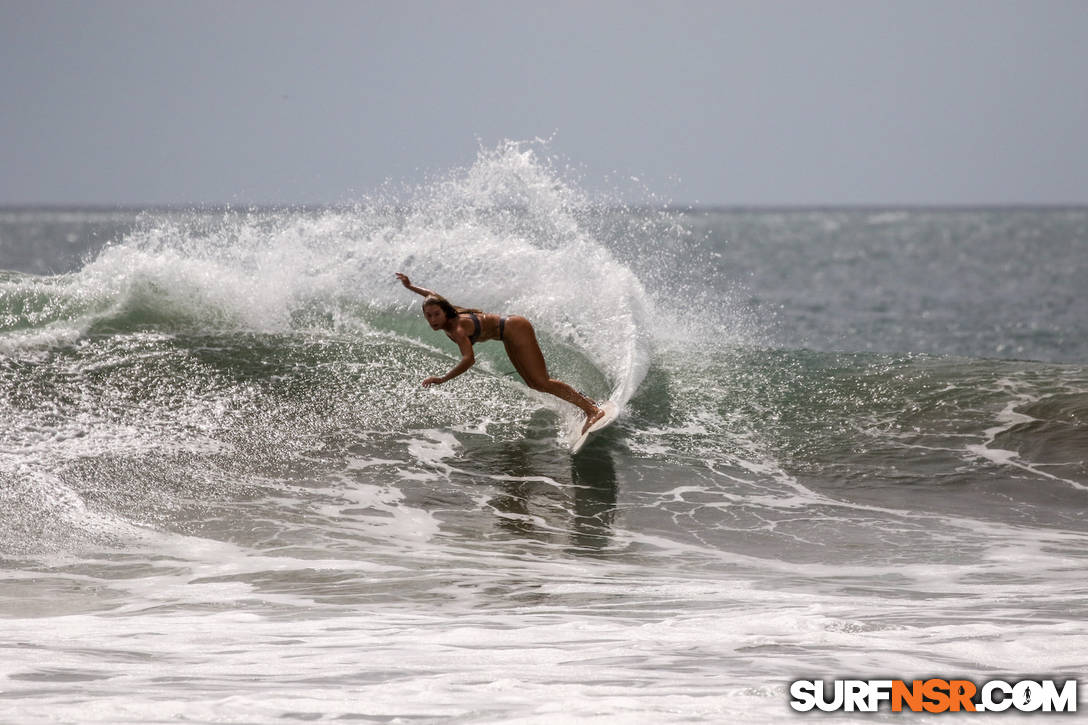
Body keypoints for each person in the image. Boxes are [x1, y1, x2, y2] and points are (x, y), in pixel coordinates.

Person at [396, 273, 605, 433]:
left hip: (515, 328)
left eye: (436, 315)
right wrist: (410, 286)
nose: (433, 320)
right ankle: (585, 401)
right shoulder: (447, 310)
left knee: (541, 381)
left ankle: (592, 411)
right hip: (508, 332)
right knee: (534, 384)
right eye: (429, 315)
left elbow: (469, 359)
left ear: (444, 312)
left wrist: (442, 379)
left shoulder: (457, 328)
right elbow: (431, 295)